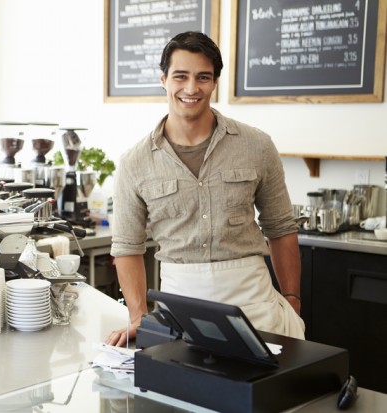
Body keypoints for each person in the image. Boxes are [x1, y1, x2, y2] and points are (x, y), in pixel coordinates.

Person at [105, 31, 305, 347]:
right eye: (180, 76)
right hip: (179, 311)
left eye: (203, 77)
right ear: (163, 79)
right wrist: (138, 316)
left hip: (256, 306)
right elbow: (128, 247)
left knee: (266, 393)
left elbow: (280, 228)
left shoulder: (257, 146)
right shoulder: (134, 162)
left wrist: (291, 298)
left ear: (214, 83)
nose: (191, 88)